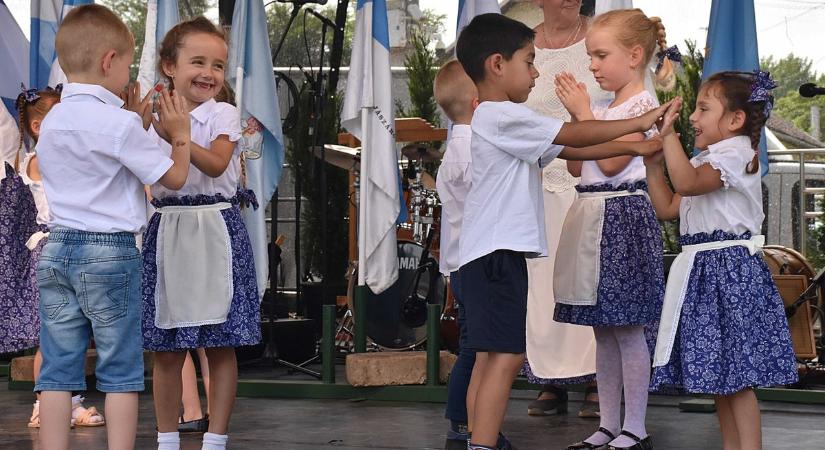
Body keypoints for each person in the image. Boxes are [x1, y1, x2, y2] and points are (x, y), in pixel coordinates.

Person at [454, 13, 678, 450]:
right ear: (498, 65)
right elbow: (576, 132)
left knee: (488, 356)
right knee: (506, 356)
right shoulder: (503, 115)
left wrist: (638, 145)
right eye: (529, 62)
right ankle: (481, 444)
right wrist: (639, 124)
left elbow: (572, 147)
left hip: (489, 255)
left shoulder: (497, 118)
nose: (537, 73)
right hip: (497, 254)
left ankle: (480, 440)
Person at [33, 4, 192, 450]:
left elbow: (93, 162)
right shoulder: (119, 124)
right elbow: (173, 178)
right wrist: (178, 134)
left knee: (59, 370)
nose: (127, 73)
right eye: (126, 62)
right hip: (110, 254)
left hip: (57, 248)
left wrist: (133, 123)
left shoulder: (56, 119)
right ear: (109, 61)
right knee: (120, 370)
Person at [646, 70, 798, 450]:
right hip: (704, 272)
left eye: (702, 108)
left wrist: (668, 137)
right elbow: (668, 206)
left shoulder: (734, 154)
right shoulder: (708, 158)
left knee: (738, 378)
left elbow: (686, 184)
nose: (693, 118)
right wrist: (651, 166)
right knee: (721, 378)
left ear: (735, 120)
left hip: (728, 271)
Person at [551, 9, 678, 450]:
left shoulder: (642, 106)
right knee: (601, 330)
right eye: (591, 56)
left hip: (622, 219)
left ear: (635, 55)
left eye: (601, 55)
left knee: (626, 327)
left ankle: (635, 423)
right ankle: (608, 422)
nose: (593, 65)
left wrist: (586, 113)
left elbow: (609, 163)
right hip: (591, 217)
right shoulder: (607, 109)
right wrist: (582, 120)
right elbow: (574, 163)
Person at [141, 17, 261, 450]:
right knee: (168, 347)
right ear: (169, 66)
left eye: (218, 64)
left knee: (220, 342)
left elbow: (215, 164)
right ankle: (167, 437)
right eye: (197, 62)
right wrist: (140, 123)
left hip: (215, 228)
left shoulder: (224, 113)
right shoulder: (151, 114)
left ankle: (216, 437)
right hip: (168, 227)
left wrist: (178, 135)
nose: (209, 73)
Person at [522, 0, 612, 419]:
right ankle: (550, 379)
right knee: (542, 284)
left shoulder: (600, 36)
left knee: (589, 274)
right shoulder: (524, 45)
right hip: (538, 182)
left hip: (592, 174)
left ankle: (598, 376)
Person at [10, 85, 106, 429]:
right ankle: (43, 403)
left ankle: (69, 401)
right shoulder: (41, 159)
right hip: (52, 247)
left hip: (68, 245)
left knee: (70, 334)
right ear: (39, 127)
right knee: (52, 336)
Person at [433, 60, 480, 450]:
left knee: (471, 341)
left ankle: (463, 420)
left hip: (460, 262)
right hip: (475, 261)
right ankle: (462, 420)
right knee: (475, 345)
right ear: (479, 101)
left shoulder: (456, 147)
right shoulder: (471, 149)